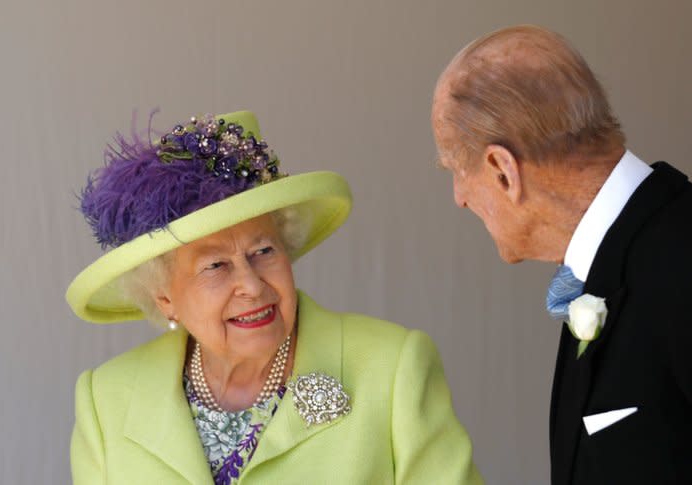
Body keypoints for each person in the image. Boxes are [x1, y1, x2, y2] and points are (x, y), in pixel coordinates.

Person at [68, 110, 483, 484]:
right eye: (216, 266)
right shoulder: (107, 399)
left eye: (263, 251)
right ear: (164, 298)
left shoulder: (393, 369)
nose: (251, 285)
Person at [431, 25, 692, 485]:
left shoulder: (680, 256)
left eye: (455, 168)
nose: (458, 197)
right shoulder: (609, 267)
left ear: (501, 169)